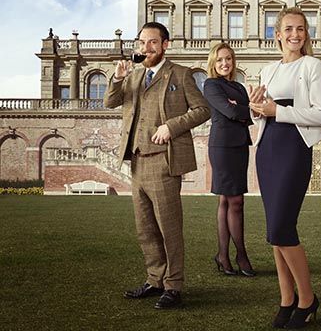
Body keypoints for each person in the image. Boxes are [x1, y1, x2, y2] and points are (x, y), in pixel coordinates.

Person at [104, 22, 211, 309]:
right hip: (136, 160)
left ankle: (173, 286)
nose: (146, 47)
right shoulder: (134, 74)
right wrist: (117, 78)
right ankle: (155, 279)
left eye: (152, 42)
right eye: (142, 42)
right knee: (145, 228)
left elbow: (202, 110)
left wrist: (171, 126)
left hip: (164, 160)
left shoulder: (180, 74)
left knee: (169, 228)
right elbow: (110, 102)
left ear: (165, 44)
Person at [249, 7, 321, 328]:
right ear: (277, 34)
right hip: (268, 149)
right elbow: (260, 115)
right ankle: (286, 299)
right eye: (288, 29)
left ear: (305, 34)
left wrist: (276, 110)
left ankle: (308, 299)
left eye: (300, 29)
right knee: (275, 231)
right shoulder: (268, 70)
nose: (295, 34)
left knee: (283, 227)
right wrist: (257, 108)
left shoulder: (313, 66)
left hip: (294, 149)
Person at [203, 42, 256, 277]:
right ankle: (241, 254)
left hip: (239, 145)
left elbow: (249, 114)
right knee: (236, 202)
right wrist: (241, 109)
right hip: (222, 146)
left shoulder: (240, 87)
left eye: (228, 59)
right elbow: (234, 112)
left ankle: (222, 255)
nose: (225, 63)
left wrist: (243, 109)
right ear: (213, 63)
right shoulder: (211, 84)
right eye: (220, 60)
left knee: (226, 201)